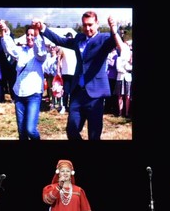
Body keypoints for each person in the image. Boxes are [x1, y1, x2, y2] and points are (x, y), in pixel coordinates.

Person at [33, 11, 124, 140]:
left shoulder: (104, 39)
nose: (87, 28)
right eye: (84, 25)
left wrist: (114, 29)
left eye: (90, 25)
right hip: (77, 94)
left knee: (94, 135)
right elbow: (60, 40)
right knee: (71, 130)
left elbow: (119, 46)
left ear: (97, 24)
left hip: (95, 95)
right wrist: (43, 27)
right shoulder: (79, 38)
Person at [0, 20, 48, 140]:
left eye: (33, 35)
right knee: (22, 132)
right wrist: (4, 29)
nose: (30, 37)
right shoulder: (21, 51)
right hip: (19, 94)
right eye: (28, 35)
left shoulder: (40, 53)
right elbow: (9, 47)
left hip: (34, 95)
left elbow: (39, 52)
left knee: (30, 130)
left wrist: (38, 34)